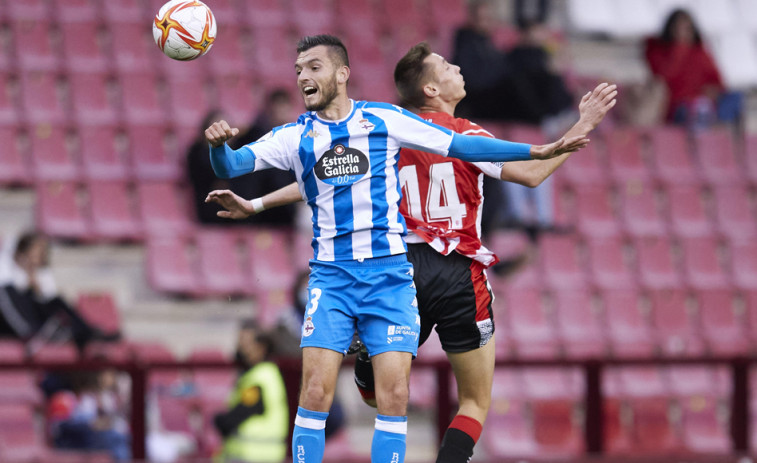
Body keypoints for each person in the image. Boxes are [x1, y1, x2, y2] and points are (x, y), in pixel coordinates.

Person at [209, 41, 615, 462]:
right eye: (446, 65)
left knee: (379, 394)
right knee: (473, 400)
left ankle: (366, 366)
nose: (457, 67)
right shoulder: (440, 131)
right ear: (432, 91)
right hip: (449, 270)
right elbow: (530, 175)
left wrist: (258, 203)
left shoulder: (386, 130)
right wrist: (573, 132)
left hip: (405, 264)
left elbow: (325, 177)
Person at [0, 232, 120, 351]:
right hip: (17, 329)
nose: (39, 256)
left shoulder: (40, 273)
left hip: (35, 322)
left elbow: (48, 298)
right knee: (10, 293)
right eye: (36, 252)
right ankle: (37, 335)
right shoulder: (7, 274)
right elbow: (10, 306)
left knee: (57, 301)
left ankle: (86, 334)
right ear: (23, 253)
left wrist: (35, 285)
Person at [644, 8, 741, 128]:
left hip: (704, 102)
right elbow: (664, 75)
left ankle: (721, 136)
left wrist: (713, 91)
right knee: (694, 111)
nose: (683, 33)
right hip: (678, 106)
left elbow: (717, 81)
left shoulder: (699, 52)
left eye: (687, 29)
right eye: (679, 29)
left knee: (735, 98)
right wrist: (680, 47)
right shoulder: (658, 51)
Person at [213, 320, 289, 463]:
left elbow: (241, 413)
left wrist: (219, 420)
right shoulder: (260, 374)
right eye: (240, 342)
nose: (240, 348)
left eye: (246, 343)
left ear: (262, 346)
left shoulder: (261, 377)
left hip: (255, 456)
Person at [228, 89, 299, 228]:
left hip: (282, 211)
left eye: (286, 107)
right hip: (257, 208)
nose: (283, 112)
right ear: (270, 109)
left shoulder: (293, 140)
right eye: (280, 107)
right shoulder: (252, 136)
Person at [47, 369, 132, 461]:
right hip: (73, 443)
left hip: (96, 442)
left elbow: (102, 423)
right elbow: (57, 427)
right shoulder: (65, 397)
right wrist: (90, 423)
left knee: (119, 437)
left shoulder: (95, 400)